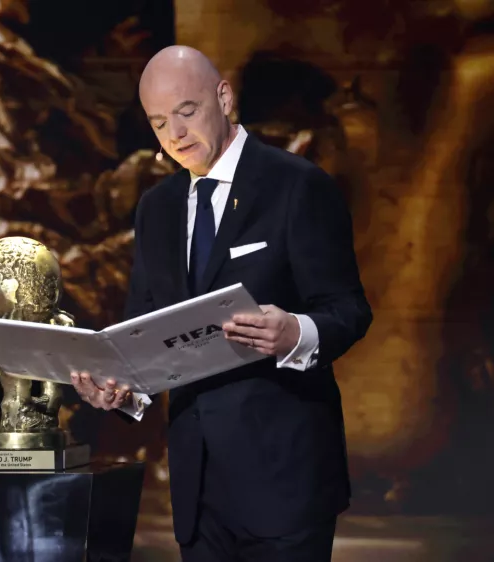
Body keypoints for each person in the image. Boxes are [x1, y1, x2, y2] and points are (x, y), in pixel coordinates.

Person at [71, 45, 372, 561]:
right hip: (197, 490)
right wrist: (120, 391)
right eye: (159, 122)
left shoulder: (296, 185)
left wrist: (295, 332)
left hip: (286, 482)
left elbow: (348, 308)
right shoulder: (157, 209)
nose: (175, 134)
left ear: (225, 98)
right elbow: (143, 332)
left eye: (186, 112)